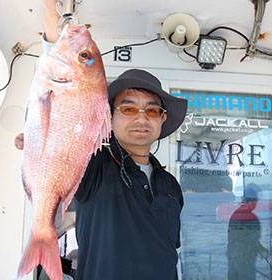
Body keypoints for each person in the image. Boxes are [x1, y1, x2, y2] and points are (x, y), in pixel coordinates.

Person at [14, 1, 188, 279]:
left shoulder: (171, 185)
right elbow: (61, 135)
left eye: (152, 110)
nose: (141, 118)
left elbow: (168, 251)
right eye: (128, 108)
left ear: (162, 119)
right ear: (110, 115)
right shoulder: (94, 166)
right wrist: (50, 15)